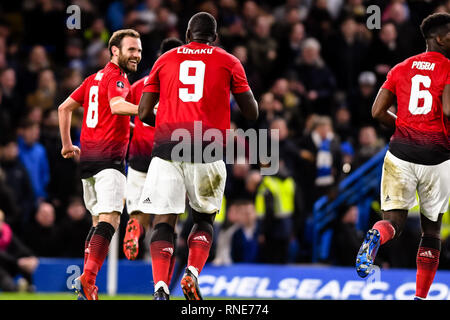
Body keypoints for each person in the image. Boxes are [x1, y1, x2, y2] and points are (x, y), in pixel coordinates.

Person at [137, 12, 258, 300]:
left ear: (188, 34)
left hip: (167, 147)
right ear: (214, 37)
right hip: (207, 147)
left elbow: (143, 113)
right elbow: (251, 112)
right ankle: (192, 272)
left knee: (164, 221)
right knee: (203, 219)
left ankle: (160, 288)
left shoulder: (164, 60)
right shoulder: (229, 61)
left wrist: (168, 120)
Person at [355, 13, 450, 301]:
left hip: (399, 155)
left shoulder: (401, 68)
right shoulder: (449, 67)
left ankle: (376, 236)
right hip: (436, 157)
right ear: (439, 37)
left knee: (393, 223)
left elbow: (376, 112)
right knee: (431, 231)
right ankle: (420, 297)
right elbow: (448, 111)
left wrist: (407, 127)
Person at [57, 29, 142, 300]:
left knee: (96, 224)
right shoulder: (116, 78)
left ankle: (86, 288)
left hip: (88, 163)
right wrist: (149, 110)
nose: (137, 55)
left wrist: (67, 144)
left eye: (139, 50)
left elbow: (64, 108)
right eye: (131, 49)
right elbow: (117, 106)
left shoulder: (93, 79)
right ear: (114, 51)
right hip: (109, 161)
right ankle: (89, 279)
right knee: (111, 219)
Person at [123, 37, 183, 261]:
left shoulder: (140, 85)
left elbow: (120, 111)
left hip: (139, 153)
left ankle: (137, 227)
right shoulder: (183, 89)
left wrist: (132, 128)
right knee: (166, 217)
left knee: (139, 209)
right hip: (167, 154)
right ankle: (162, 268)